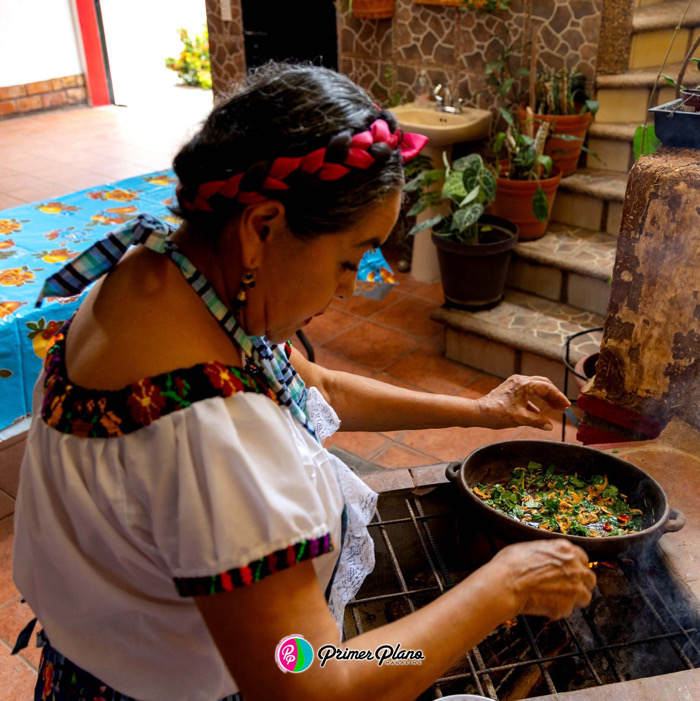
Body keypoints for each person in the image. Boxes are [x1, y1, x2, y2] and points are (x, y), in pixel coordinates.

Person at [12, 63, 596, 701]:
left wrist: (481, 410)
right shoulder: (215, 433)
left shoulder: (152, 274)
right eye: (350, 258)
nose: (348, 289)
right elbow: (315, 680)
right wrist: (502, 587)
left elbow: (312, 386)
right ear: (262, 226)